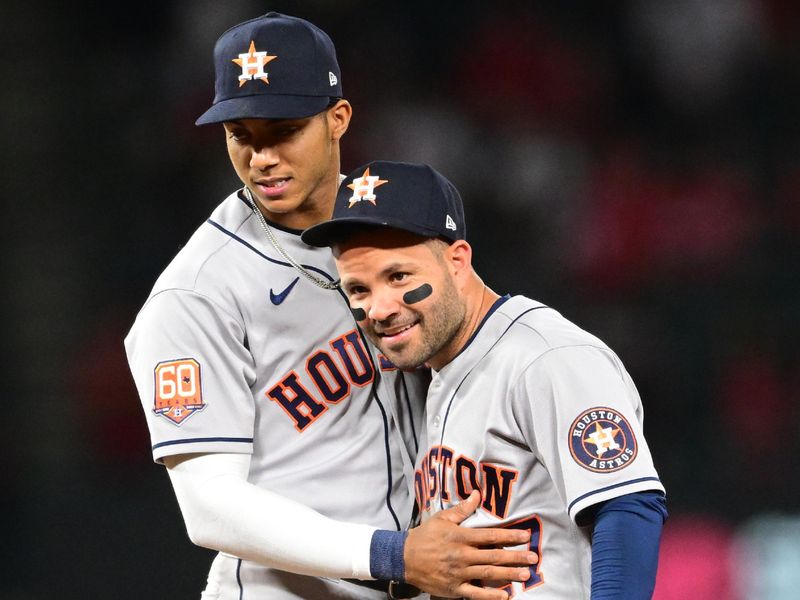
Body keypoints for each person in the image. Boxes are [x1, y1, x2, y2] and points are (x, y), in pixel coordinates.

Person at [124, 12, 536, 600]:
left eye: (283, 130)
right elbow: (209, 507)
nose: (261, 157)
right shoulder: (196, 294)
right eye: (241, 135)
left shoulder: (391, 231)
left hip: (419, 578)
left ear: (337, 119)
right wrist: (394, 555)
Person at [302, 160, 669, 599]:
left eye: (399, 277)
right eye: (359, 290)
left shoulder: (547, 357)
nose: (379, 308)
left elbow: (627, 507)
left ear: (457, 261)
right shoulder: (442, 367)